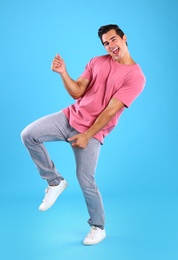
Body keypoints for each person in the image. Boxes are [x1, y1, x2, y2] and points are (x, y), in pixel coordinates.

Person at [21, 24, 146, 245]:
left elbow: (110, 110)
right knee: (29, 134)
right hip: (70, 117)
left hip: (93, 131)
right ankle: (54, 182)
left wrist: (87, 135)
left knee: (86, 179)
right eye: (106, 43)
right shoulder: (97, 61)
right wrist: (63, 73)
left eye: (113, 40)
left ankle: (98, 227)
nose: (110, 46)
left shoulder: (136, 77)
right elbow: (78, 90)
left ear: (124, 38)